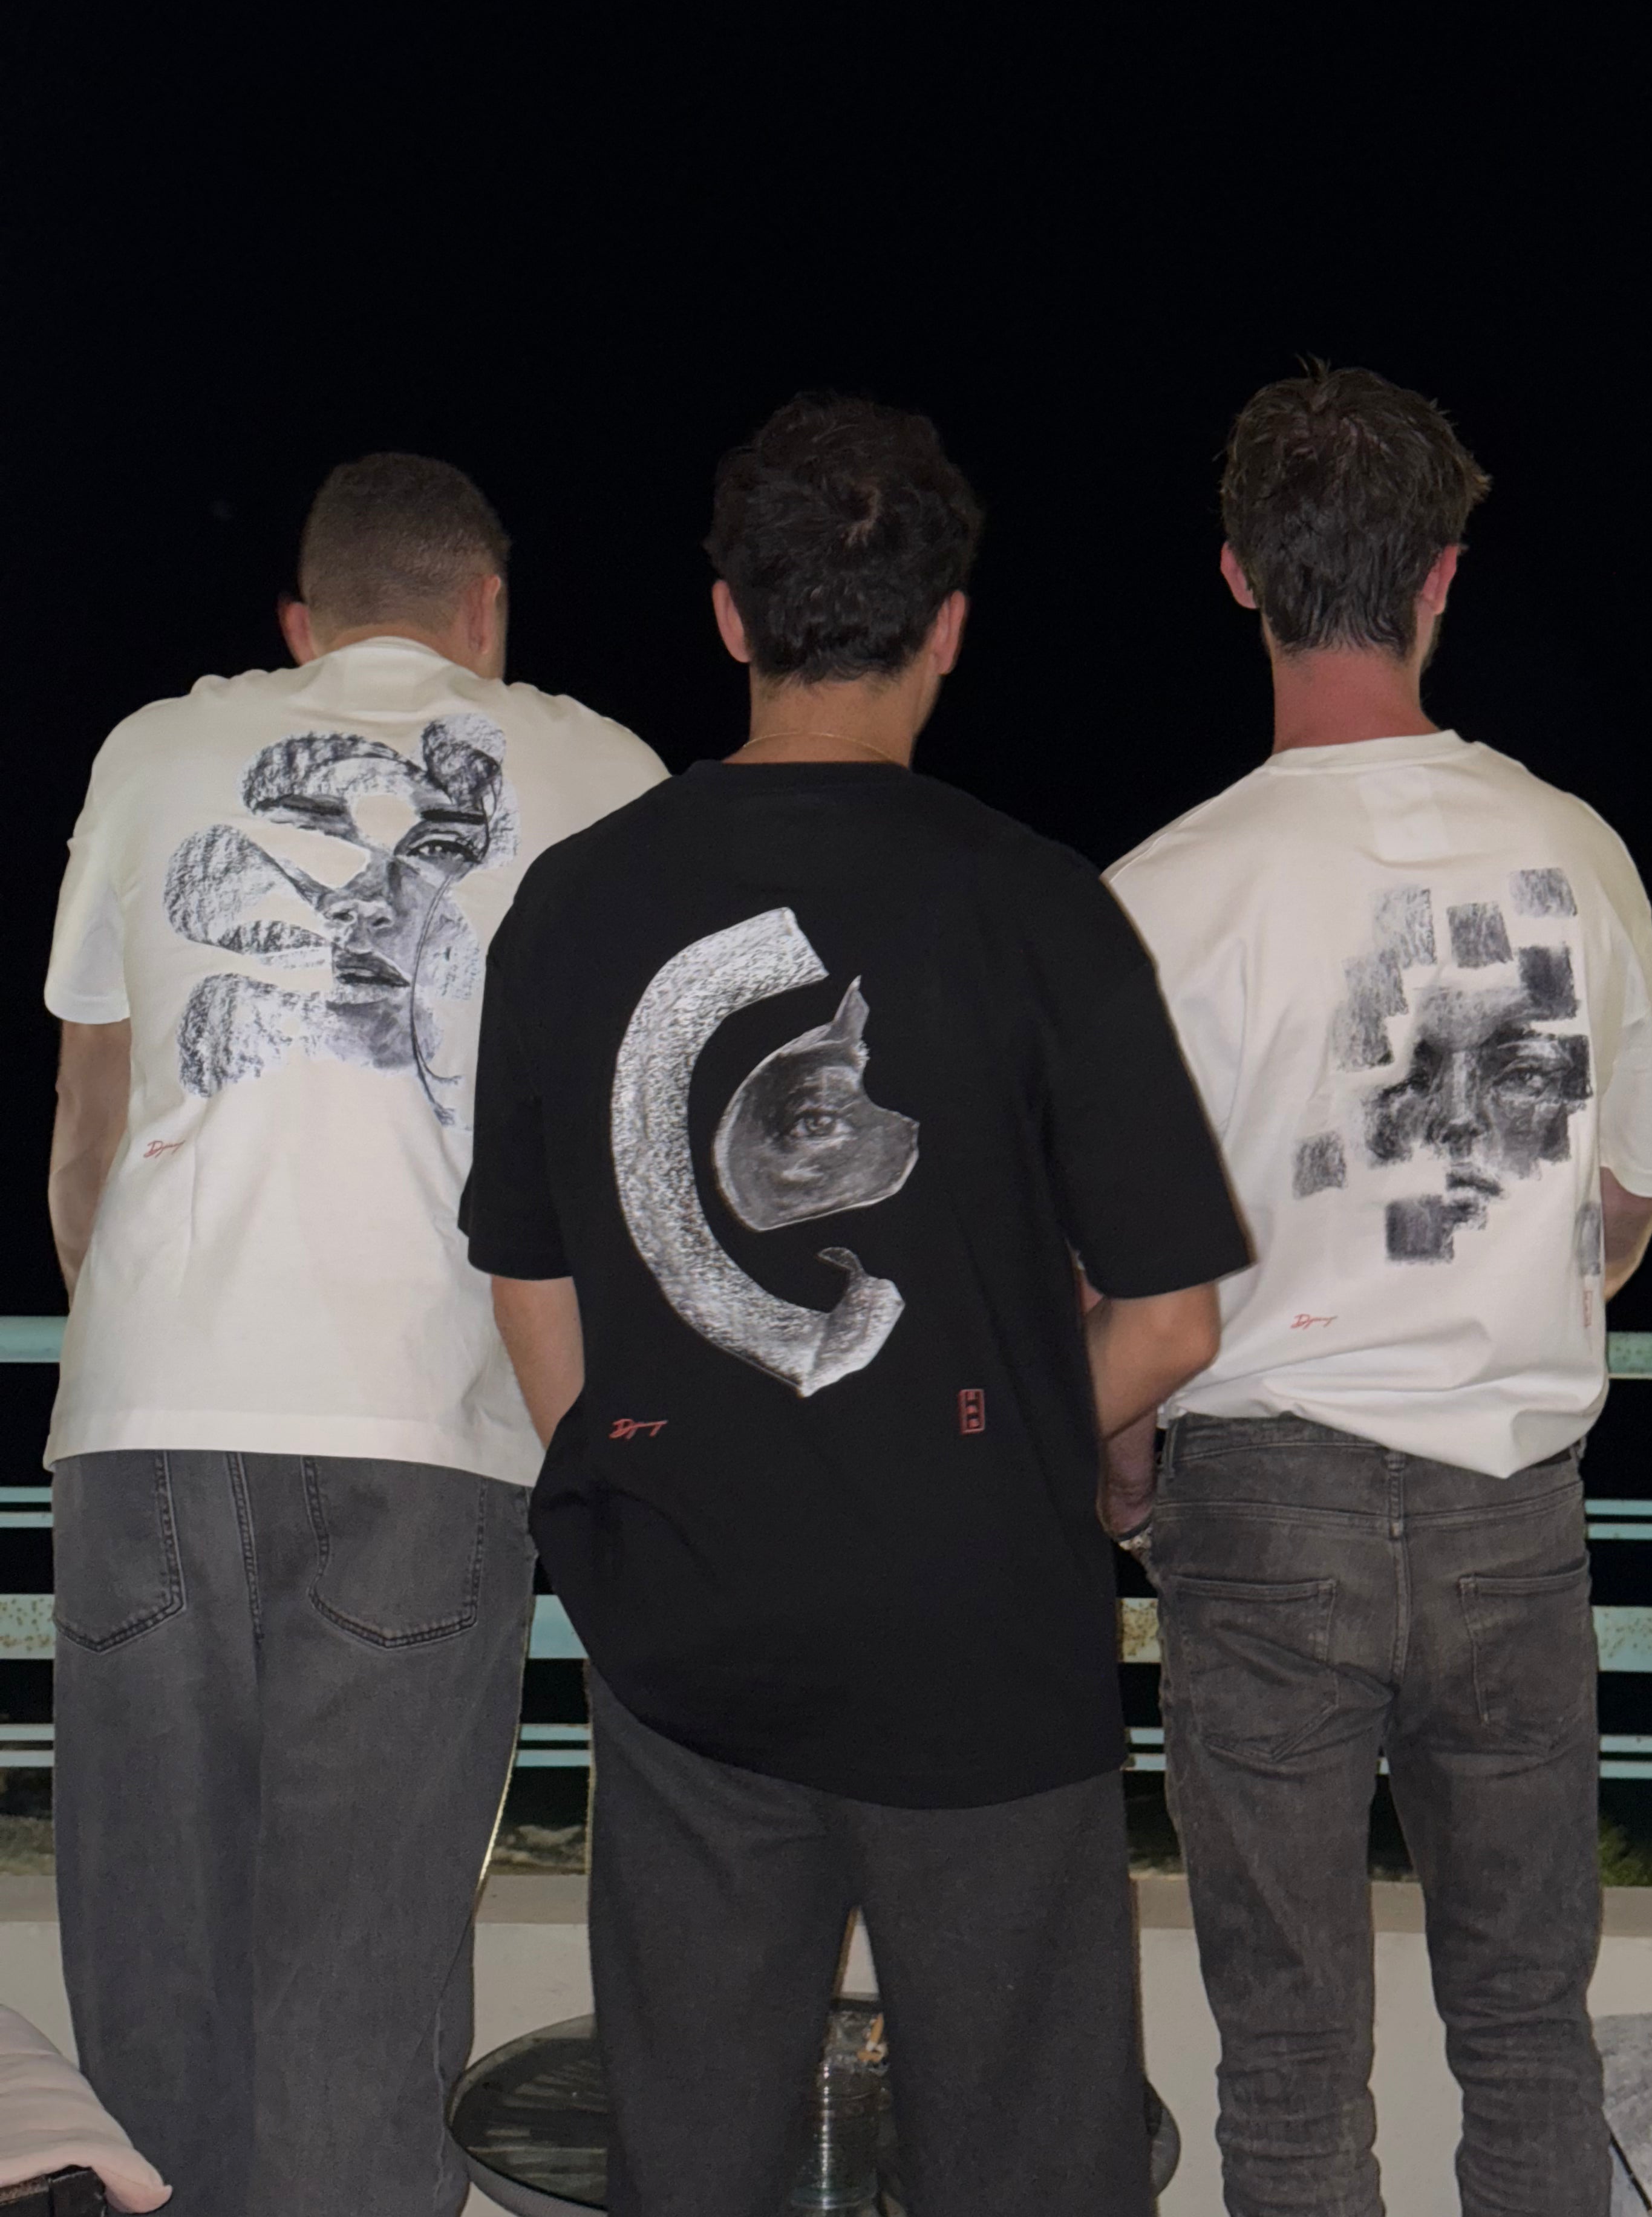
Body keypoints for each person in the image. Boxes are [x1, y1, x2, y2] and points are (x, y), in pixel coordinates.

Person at [465, 392, 1247, 2217]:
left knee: (693, 2159)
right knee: (1028, 2162)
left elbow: (529, 1277)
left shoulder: (574, 905)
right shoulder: (1039, 906)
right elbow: (1173, 1322)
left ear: (727, 617)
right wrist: (992, 1447)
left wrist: (637, 1497)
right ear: (951, 630)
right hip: (982, 1644)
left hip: (689, 1632)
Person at [44, 452, 666, 2217]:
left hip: (145, 1425)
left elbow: (86, 1142)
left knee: (152, 1991)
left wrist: (143, 1343)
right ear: (489, 611)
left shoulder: (152, 751)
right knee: (362, 1997)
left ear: (301, 626)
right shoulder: (603, 772)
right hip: (425, 1426)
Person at [1108, 365, 1652, 2217]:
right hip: (1513, 1517)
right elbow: (1622, 1204)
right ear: (1442, 577)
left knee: (1291, 2069)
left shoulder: (1163, 898)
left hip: (1264, 1518)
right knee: (1528, 2038)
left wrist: (1123, 1474)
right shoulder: (1578, 855)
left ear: (1238, 575)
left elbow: (1119, 1275)